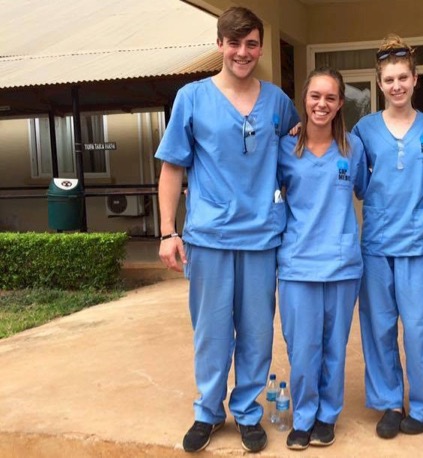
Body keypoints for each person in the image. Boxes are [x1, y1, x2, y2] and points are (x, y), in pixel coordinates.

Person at [155, 6, 299, 454]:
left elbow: (300, 154)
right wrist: (167, 232)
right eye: (234, 43)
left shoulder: (277, 101)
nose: (242, 52)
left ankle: (249, 411)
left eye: (251, 44)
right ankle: (208, 411)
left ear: (259, 47)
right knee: (212, 331)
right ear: (220, 44)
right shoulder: (192, 98)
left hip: (261, 237)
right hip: (209, 236)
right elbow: (172, 167)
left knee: (257, 331)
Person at [351, 35, 423, 439]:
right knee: (379, 327)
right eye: (388, 79)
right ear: (379, 82)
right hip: (376, 244)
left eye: (403, 77)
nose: (396, 86)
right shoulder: (364, 129)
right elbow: (355, 183)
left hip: (422, 243)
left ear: (415, 78)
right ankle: (390, 401)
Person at [276, 66, 367, 450]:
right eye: (315, 96)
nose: (322, 104)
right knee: (302, 347)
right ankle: (303, 417)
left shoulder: (353, 148)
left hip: (343, 263)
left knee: (334, 344)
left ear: (340, 103)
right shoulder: (284, 149)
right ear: (304, 100)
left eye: (330, 97)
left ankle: (327, 416)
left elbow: (364, 190)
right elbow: (269, 195)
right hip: (298, 263)